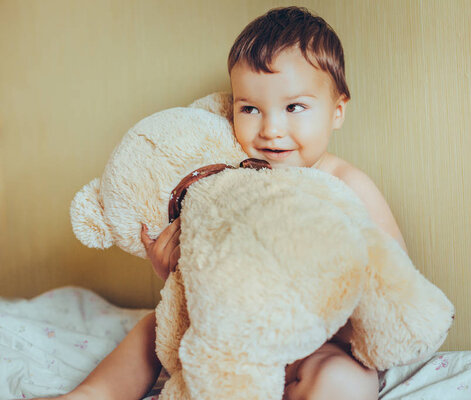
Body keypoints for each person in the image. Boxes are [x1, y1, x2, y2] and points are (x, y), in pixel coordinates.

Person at [43, 6, 409, 400]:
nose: (270, 129)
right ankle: (92, 394)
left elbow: (396, 285)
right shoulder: (232, 179)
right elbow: (212, 267)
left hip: (318, 345)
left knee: (344, 376)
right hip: (233, 340)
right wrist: (172, 270)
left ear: (336, 111)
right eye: (249, 108)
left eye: (294, 107)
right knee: (152, 329)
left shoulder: (348, 185)